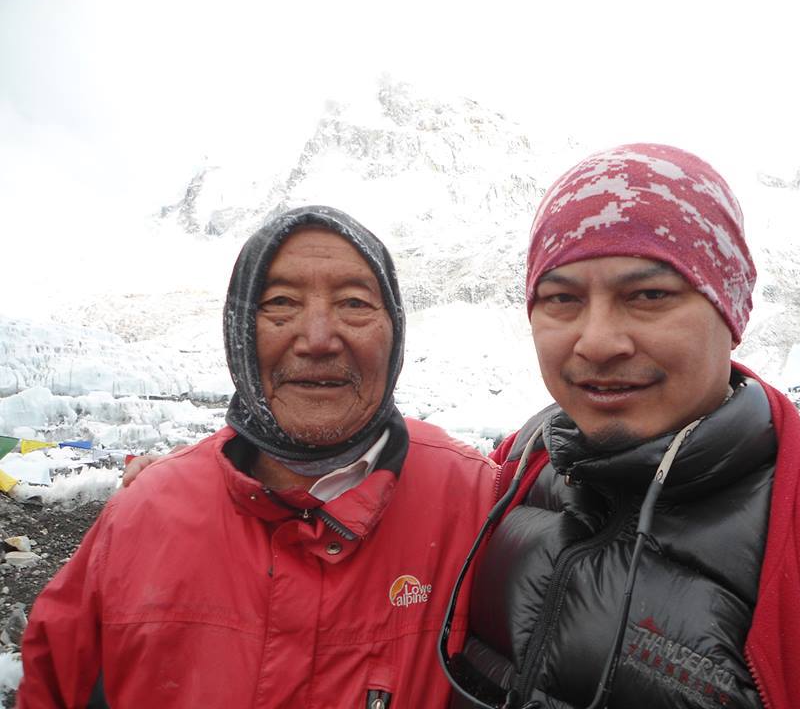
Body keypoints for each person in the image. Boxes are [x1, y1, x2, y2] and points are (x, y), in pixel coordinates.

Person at [439, 144, 800, 709]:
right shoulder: (520, 468)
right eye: (561, 299)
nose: (598, 342)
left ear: (730, 311)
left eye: (650, 296)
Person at [17, 206, 500, 708]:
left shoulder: (477, 504)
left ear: (395, 330)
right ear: (240, 331)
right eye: (281, 303)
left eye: (355, 303)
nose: (317, 339)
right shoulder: (141, 517)